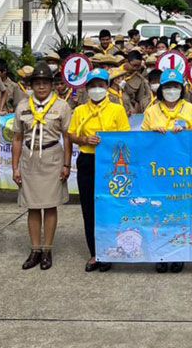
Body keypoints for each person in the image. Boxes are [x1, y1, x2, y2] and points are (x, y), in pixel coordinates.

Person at [12, 62, 73, 271]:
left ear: (52, 85)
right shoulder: (22, 106)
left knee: (50, 204)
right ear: (31, 86)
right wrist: (15, 167)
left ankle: (48, 249)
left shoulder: (62, 107)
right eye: (36, 83)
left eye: (45, 83)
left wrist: (67, 164)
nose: (41, 87)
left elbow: (67, 137)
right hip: (30, 158)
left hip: (52, 156)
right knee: (33, 205)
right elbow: (18, 138)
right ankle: (35, 249)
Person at [67, 68, 129, 271]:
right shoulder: (80, 111)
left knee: (110, 206)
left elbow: (125, 137)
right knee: (89, 208)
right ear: (86, 88)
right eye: (92, 86)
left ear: (108, 87)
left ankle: (112, 248)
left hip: (110, 163)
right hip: (87, 159)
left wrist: (108, 142)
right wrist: (84, 139)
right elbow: (72, 135)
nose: (96, 89)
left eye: (100, 85)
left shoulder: (117, 110)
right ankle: (95, 253)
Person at [143, 68, 192, 273]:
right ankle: (160, 252)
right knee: (159, 211)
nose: (171, 90)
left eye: (175, 86)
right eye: (167, 87)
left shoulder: (190, 110)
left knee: (181, 211)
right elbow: (141, 141)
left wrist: (186, 130)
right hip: (158, 170)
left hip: (183, 169)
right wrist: (152, 134)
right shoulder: (151, 111)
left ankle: (179, 253)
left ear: (181, 89)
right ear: (161, 89)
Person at [118, 50, 151, 115]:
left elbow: (140, 98)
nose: (136, 68)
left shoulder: (139, 78)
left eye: (138, 66)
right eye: (134, 65)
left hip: (130, 111)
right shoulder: (115, 73)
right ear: (126, 62)